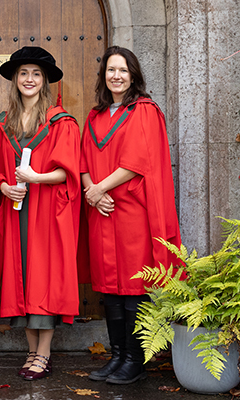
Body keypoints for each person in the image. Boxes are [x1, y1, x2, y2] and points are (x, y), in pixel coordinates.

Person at [80, 46, 183, 385]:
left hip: (131, 213)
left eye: (123, 70)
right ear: (103, 76)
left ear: (133, 75)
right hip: (102, 212)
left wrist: (99, 190)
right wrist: (91, 190)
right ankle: (117, 355)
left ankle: (135, 360)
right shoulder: (95, 116)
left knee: (133, 286)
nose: (117, 76)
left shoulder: (143, 111)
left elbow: (136, 162)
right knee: (109, 288)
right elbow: (82, 162)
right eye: (111, 70)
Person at [0, 46, 81, 381]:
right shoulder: (2, 124)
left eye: (36, 74)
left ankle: (44, 354)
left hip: (45, 212)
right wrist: (3, 188)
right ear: (15, 79)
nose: (29, 79)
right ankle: (30, 352)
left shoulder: (61, 122)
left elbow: (68, 173)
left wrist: (36, 178)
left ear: (45, 81)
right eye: (24, 73)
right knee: (19, 277)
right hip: (16, 211)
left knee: (43, 277)